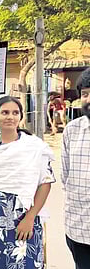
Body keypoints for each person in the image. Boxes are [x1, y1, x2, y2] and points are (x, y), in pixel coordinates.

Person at [0, 96, 55, 269]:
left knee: (24, 262)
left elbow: (45, 183)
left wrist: (31, 217)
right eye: (5, 112)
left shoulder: (33, 146)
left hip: (24, 218)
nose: (10, 117)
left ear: (20, 117)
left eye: (15, 113)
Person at [62, 67, 90, 269]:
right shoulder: (72, 130)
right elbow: (65, 175)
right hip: (78, 226)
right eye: (85, 94)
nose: (89, 99)